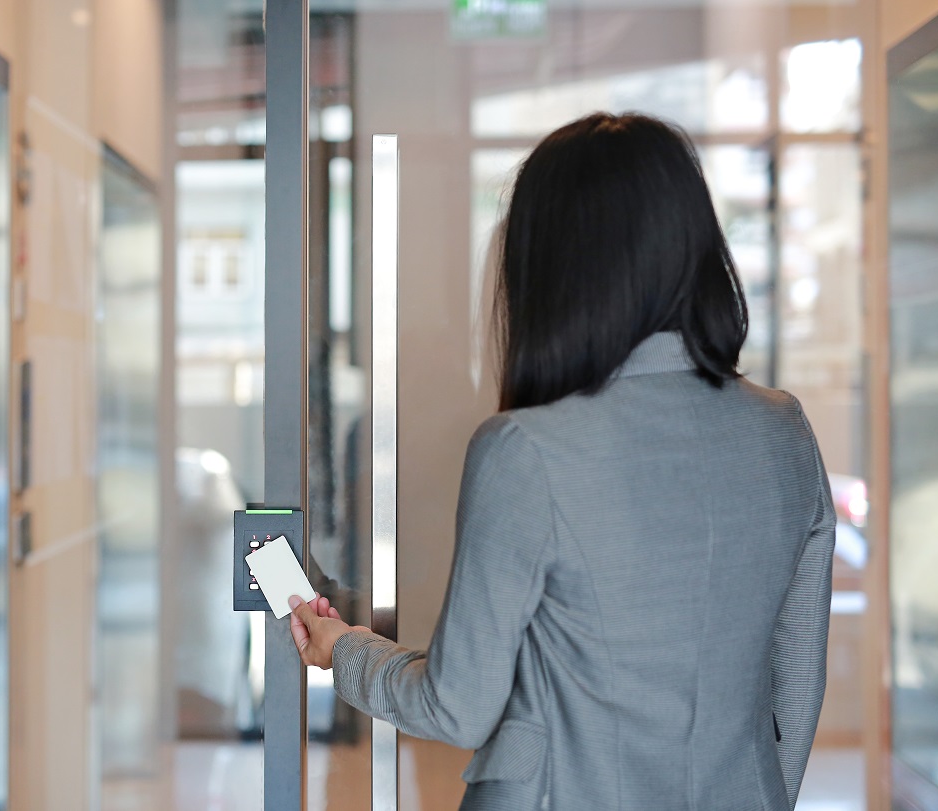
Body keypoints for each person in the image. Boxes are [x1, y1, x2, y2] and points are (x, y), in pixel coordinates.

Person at [287, 112, 835, 811]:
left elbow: (458, 706)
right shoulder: (784, 432)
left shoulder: (526, 449)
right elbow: (796, 686)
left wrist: (346, 650)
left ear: (550, 267)